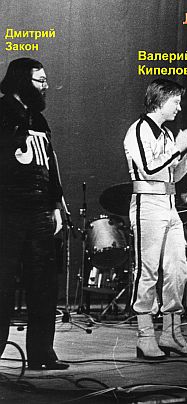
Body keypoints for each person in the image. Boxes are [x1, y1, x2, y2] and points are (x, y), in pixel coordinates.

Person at [124, 79, 187, 359]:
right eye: (176, 102)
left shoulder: (167, 134)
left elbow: (173, 176)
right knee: (147, 270)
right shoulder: (137, 131)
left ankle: (172, 335)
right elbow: (149, 169)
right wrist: (179, 148)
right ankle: (145, 336)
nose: (179, 108)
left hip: (168, 205)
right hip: (147, 204)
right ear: (160, 100)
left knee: (177, 268)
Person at [0, 58, 68, 370]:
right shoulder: (2, 112)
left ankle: (42, 354)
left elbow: (49, 165)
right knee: (2, 285)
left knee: (43, 285)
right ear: (22, 81)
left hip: (40, 213)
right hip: (7, 213)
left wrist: (56, 206)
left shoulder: (38, 119)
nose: (46, 86)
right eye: (40, 81)